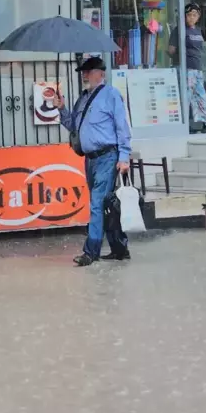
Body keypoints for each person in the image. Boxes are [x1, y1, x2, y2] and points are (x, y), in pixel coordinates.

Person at [55, 57, 131, 267]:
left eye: (88, 71)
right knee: (106, 205)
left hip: (107, 156)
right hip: (90, 160)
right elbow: (73, 126)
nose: (84, 75)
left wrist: (124, 156)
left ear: (100, 73)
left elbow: (122, 126)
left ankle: (91, 251)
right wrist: (62, 109)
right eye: (83, 71)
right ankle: (119, 248)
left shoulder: (111, 95)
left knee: (97, 203)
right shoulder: (83, 99)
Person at [168, 3, 206, 134]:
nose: (192, 18)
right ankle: (184, 124)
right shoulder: (179, 30)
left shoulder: (197, 30)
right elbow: (171, 50)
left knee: (200, 95)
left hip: (197, 68)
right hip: (186, 68)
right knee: (186, 96)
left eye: (195, 15)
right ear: (184, 16)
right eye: (189, 15)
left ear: (198, 17)